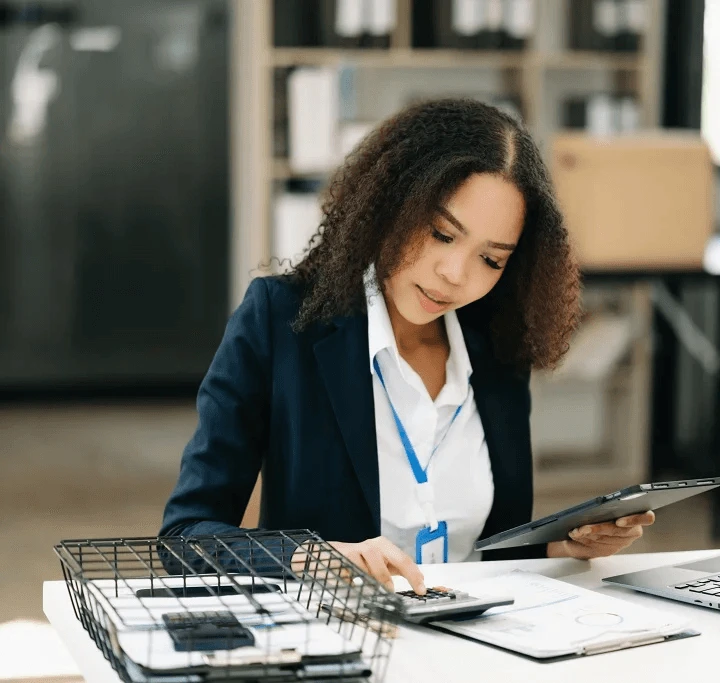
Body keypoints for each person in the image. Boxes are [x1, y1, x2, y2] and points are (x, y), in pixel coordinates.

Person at [160, 98, 655, 594]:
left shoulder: (499, 346)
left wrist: (558, 547)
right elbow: (185, 537)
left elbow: (485, 544)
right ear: (391, 202)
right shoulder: (280, 320)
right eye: (441, 234)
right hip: (347, 643)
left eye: (491, 259)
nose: (455, 274)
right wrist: (311, 556)